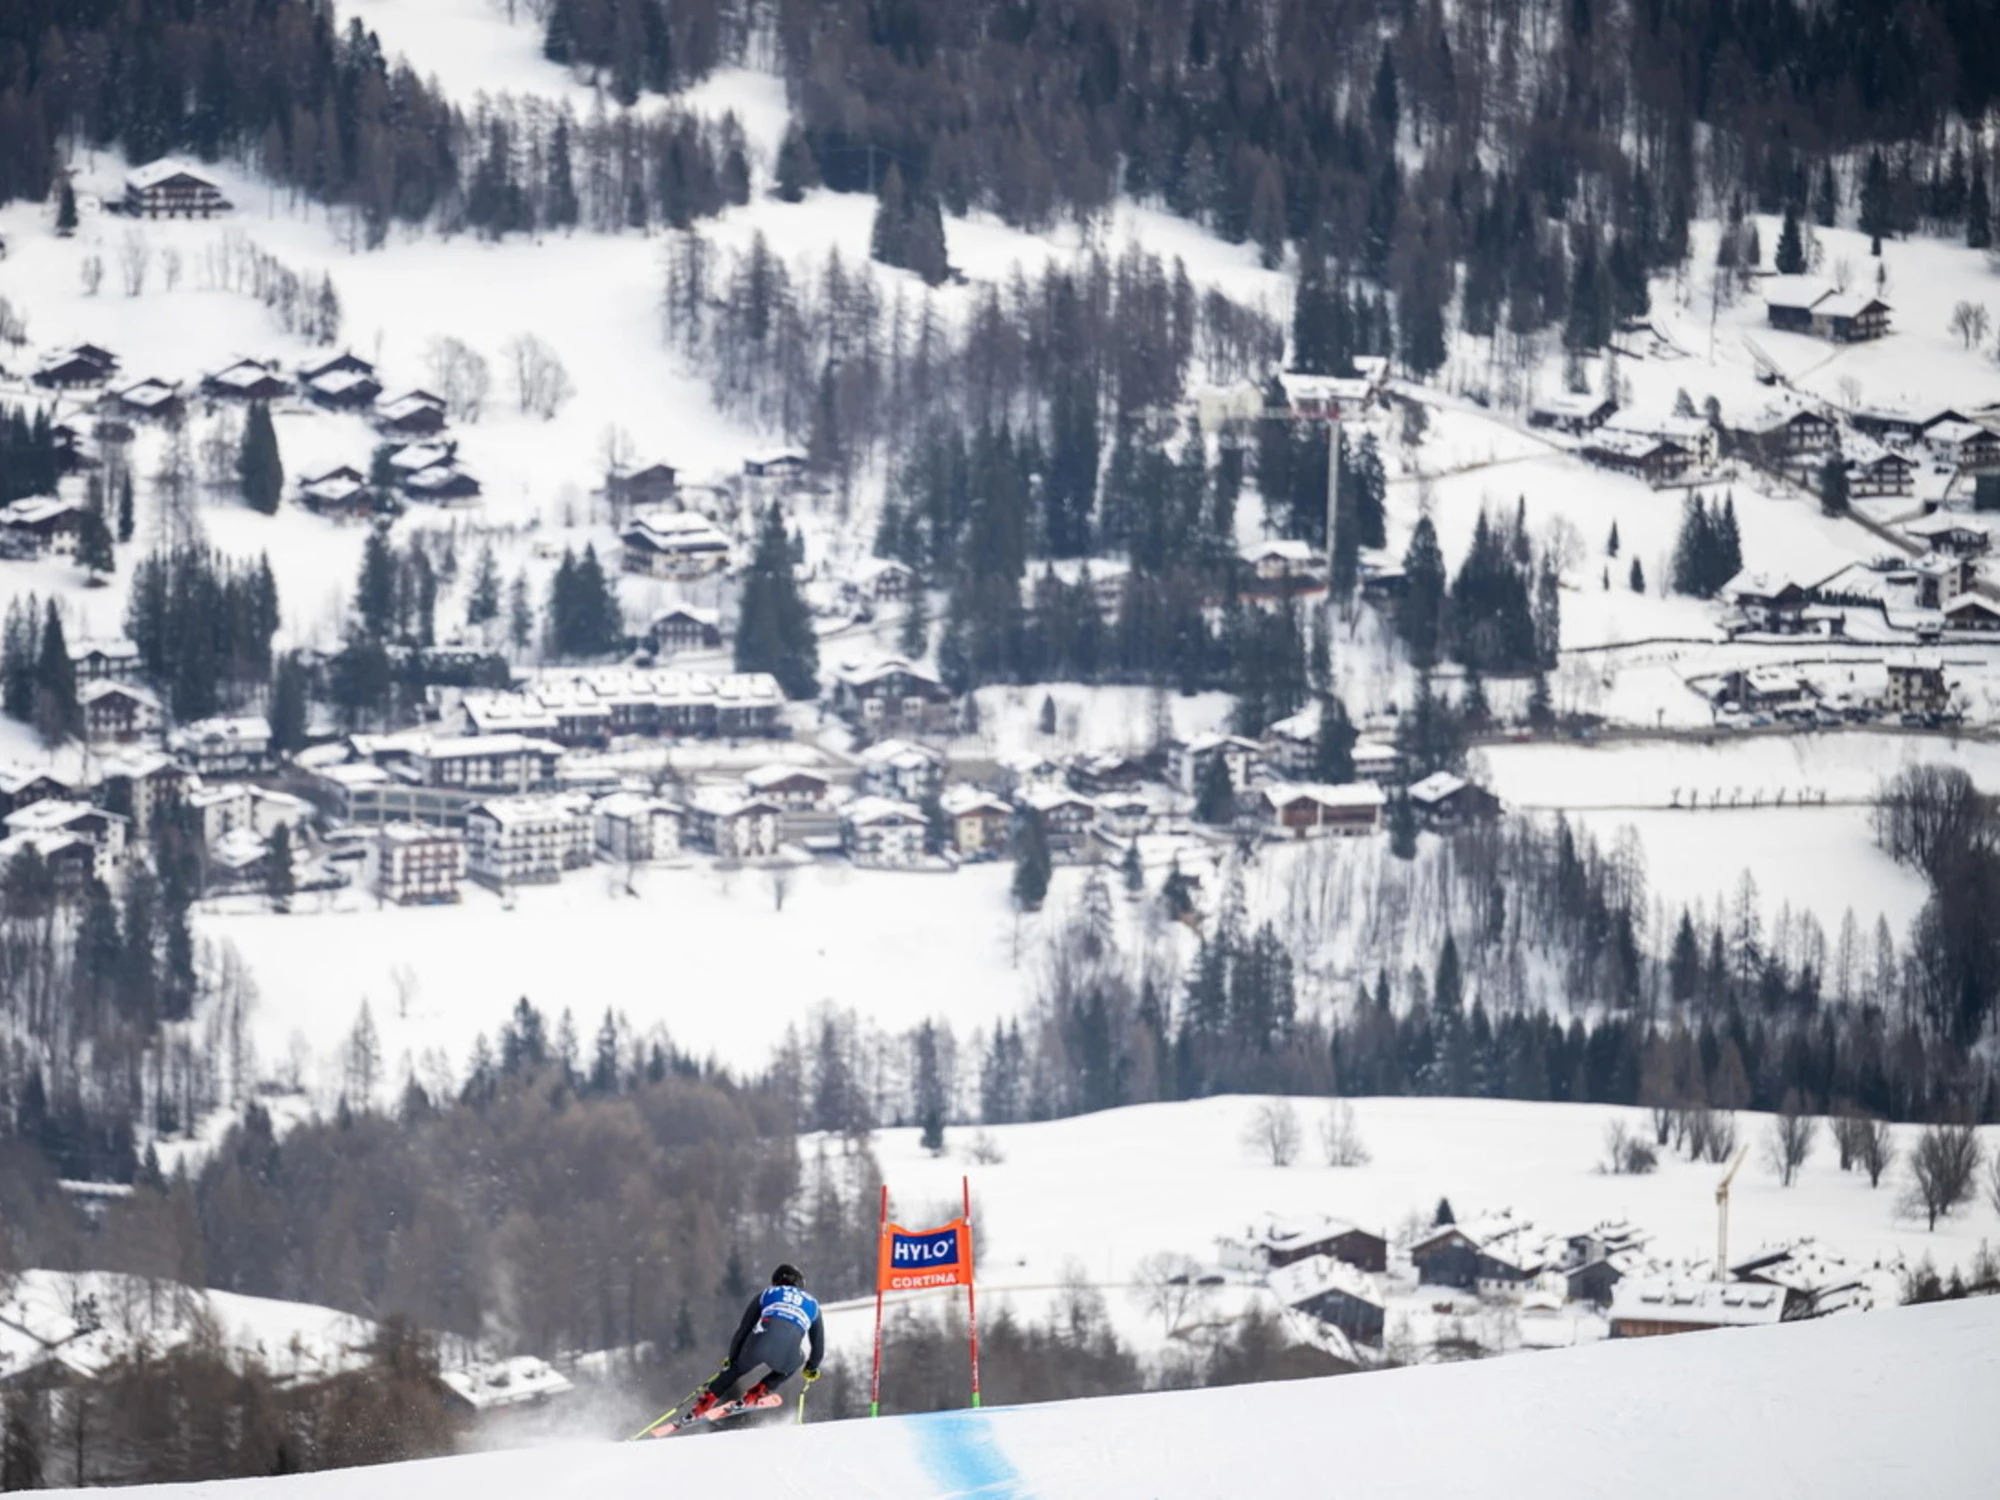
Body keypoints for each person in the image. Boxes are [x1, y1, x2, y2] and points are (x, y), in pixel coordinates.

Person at [689, 1264, 824, 1418]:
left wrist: (733, 1358)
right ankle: (758, 1391)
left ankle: (704, 1403)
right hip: (786, 1353)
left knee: (737, 1369)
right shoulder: (813, 1305)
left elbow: (743, 1330)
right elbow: (818, 1346)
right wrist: (811, 1368)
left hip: (758, 1343)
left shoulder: (766, 1293)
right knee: (795, 1362)